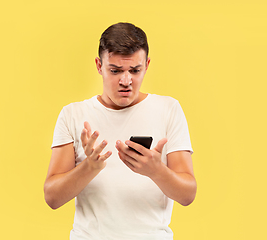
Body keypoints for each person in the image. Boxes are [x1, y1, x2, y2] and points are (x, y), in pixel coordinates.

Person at [44, 22, 196, 240]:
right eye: (115, 71)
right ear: (99, 66)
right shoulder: (73, 114)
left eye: (135, 70)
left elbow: (188, 194)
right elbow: (52, 198)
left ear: (147, 64)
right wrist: (89, 167)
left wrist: (156, 171)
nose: (126, 81)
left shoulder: (168, 110)